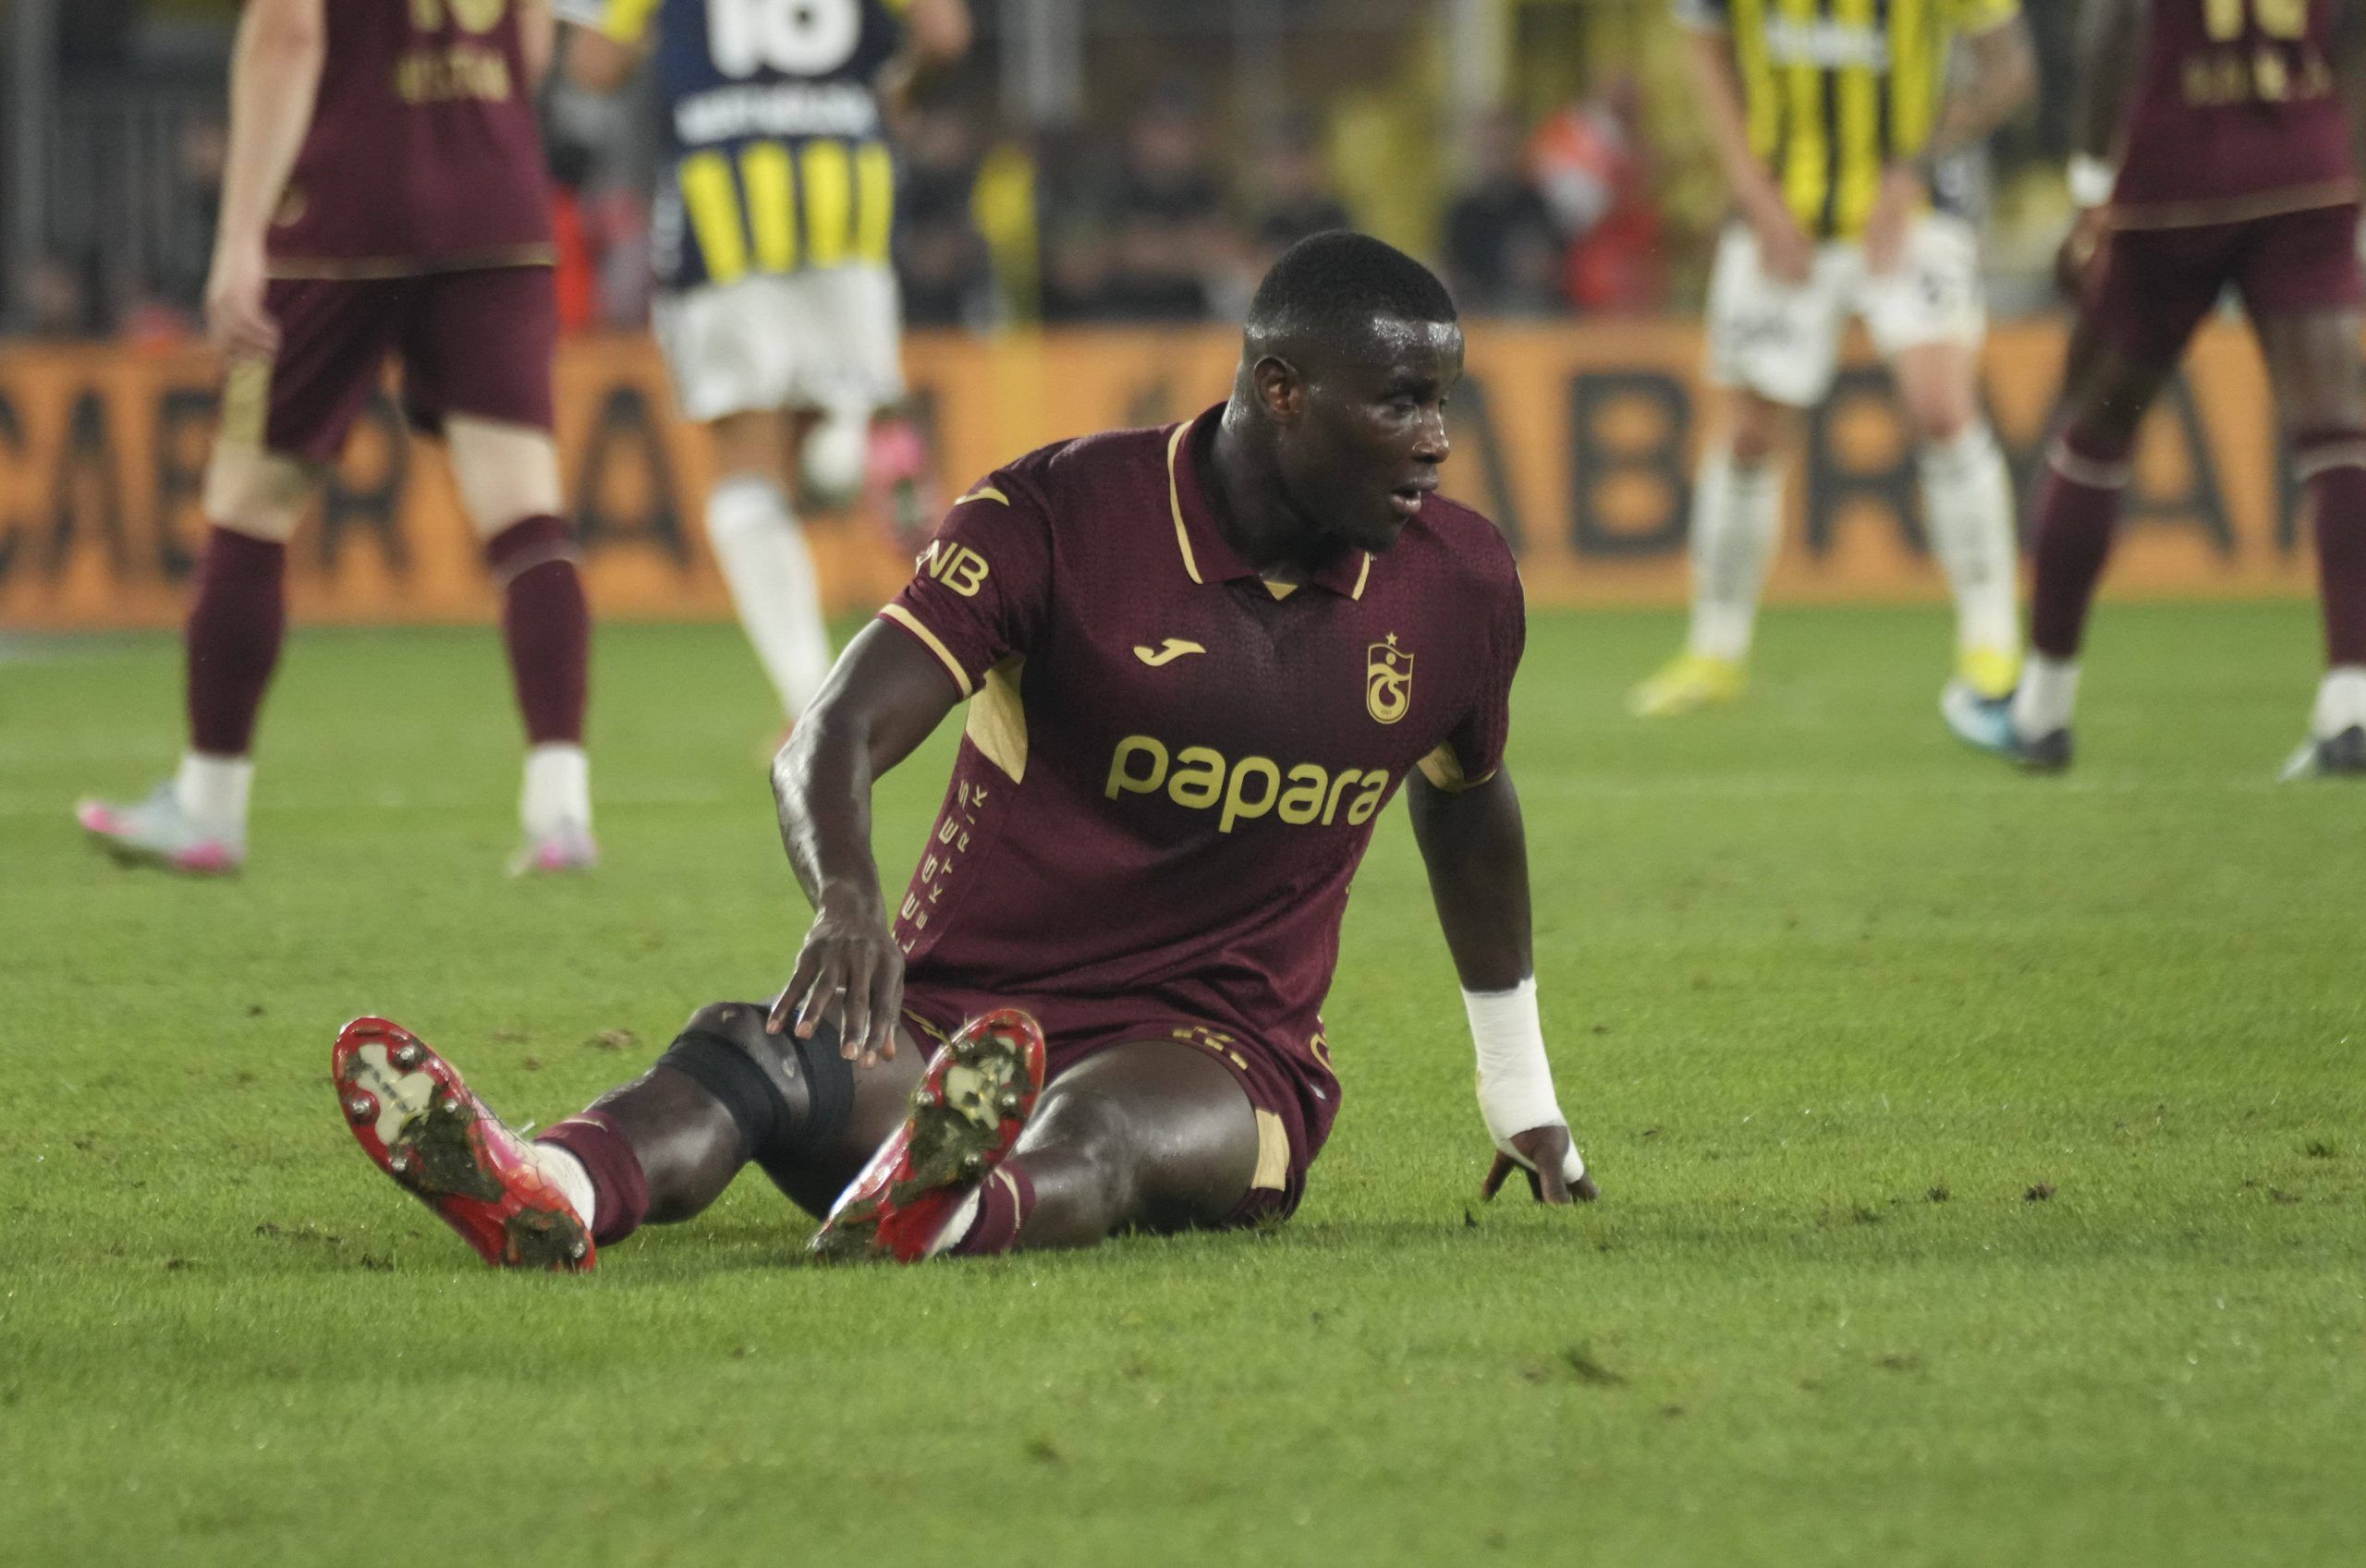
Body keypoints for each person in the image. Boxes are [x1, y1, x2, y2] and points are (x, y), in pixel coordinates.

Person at [328, 233, 1597, 1270]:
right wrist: (847, 901)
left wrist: (1521, 1093)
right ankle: (546, 1183)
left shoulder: (1459, 583)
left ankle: (953, 1210)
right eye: (1402, 401)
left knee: (1100, 1123)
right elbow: (831, 734)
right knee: (755, 1053)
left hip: (1220, 1055)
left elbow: (1467, 806)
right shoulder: (1057, 518)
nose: (1437, 438)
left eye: (1442, 401)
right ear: (1280, 390)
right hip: (958, 1029)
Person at [77, 0, 596, 875]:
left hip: (342, 210)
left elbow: (288, 31)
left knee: (251, 500)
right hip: (495, 204)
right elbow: (537, 41)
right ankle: (561, 811)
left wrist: (240, 233)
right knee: (524, 509)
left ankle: (209, 805)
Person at [1947, 0, 2366, 775]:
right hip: (2303, 165)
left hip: (2177, 176)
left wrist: (2091, 182)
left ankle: (2041, 709)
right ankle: (2352, 699)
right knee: (2337, 428)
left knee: (2098, 424)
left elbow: (2114, 21)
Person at [559, 0, 970, 735]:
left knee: (745, 465)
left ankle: (810, 697)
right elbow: (944, 34)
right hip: (848, 194)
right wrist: (895, 92)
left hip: (724, 205)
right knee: (833, 415)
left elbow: (593, 66)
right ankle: (854, 434)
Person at [1630, 0, 2036, 718]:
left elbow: (2009, 72)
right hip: (1782, 212)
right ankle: (1715, 650)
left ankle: (1992, 638)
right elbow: (1707, 56)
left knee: (1941, 409)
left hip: (1912, 212)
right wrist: (1753, 194)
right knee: (1750, 433)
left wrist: (1911, 171)